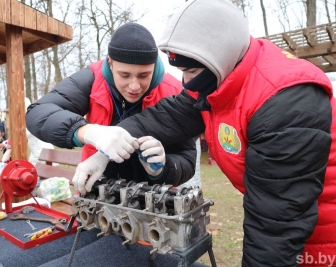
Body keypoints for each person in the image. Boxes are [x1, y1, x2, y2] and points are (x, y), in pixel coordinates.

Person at [74, 1, 336, 266]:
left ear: (220, 56)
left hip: (322, 234)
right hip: (294, 218)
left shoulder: (285, 100)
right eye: (182, 71)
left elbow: (276, 224)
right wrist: (105, 149)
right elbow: (165, 117)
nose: (186, 82)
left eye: (193, 71)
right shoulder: (220, 81)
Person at [26, 22, 198, 195]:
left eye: (143, 75)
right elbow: (38, 112)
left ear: (154, 66)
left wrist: (163, 168)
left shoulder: (174, 91)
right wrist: (89, 132)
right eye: (125, 75)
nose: (134, 86)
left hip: (153, 201)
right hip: (96, 191)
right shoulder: (92, 79)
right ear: (110, 63)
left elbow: (187, 158)